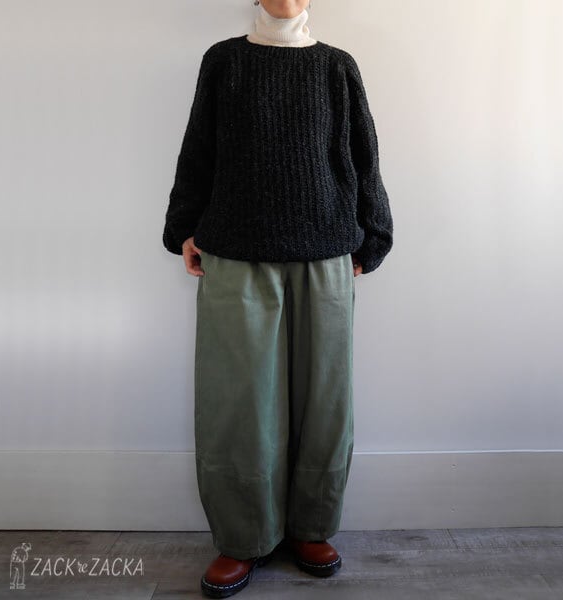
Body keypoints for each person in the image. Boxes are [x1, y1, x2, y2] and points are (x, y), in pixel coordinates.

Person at [162, 0, 393, 596]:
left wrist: (374, 233)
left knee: (324, 398)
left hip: (326, 250)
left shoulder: (337, 66)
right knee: (238, 404)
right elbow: (199, 149)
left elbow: (363, 155)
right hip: (235, 249)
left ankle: (311, 527)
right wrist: (183, 226)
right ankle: (243, 538)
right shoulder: (224, 61)